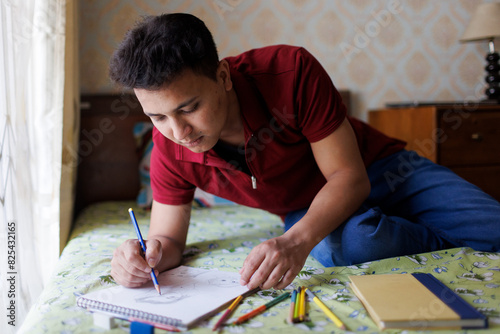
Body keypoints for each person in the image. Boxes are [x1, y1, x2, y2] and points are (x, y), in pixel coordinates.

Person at [109, 13, 500, 291]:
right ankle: (437, 240)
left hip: (386, 169)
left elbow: (349, 177)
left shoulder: (290, 69)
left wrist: (295, 243)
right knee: (363, 242)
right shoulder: (169, 148)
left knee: (493, 226)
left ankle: (426, 229)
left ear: (223, 77)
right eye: (158, 117)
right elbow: (168, 240)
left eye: (189, 108)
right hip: (308, 205)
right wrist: (145, 258)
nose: (178, 132)